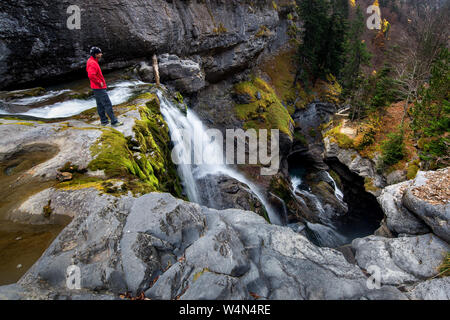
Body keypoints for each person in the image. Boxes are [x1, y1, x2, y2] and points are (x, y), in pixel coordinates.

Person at [86, 47, 123, 127]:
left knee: (100, 105)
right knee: (107, 104)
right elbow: (91, 75)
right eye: (100, 53)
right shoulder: (93, 63)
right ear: (96, 54)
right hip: (99, 87)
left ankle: (104, 121)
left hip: (95, 87)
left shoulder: (91, 60)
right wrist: (99, 82)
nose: (101, 54)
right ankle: (114, 122)